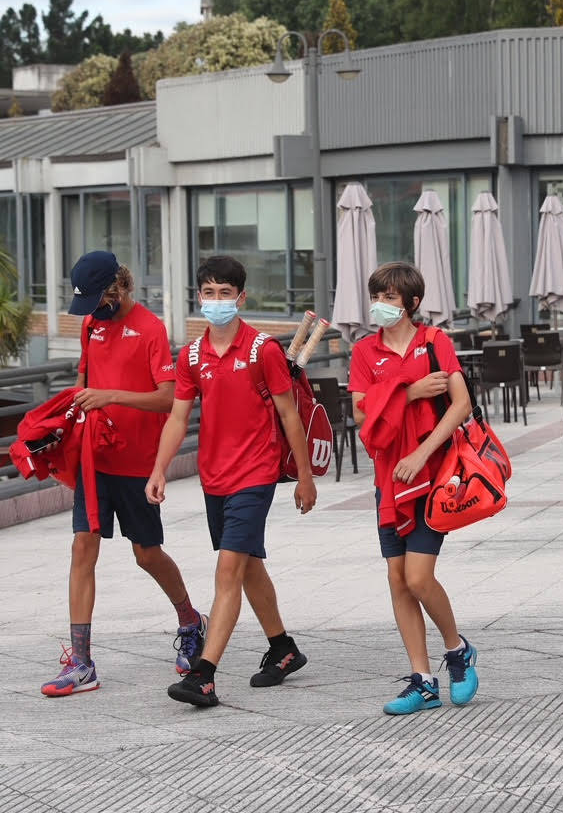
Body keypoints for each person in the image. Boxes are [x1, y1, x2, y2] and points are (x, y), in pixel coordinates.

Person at [146, 255, 318, 708]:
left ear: (240, 298)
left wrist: (305, 478)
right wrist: (160, 468)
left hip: (255, 474)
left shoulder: (263, 350)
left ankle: (203, 675)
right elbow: (178, 418)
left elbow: (289, 416)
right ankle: (283, 649)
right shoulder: (192, 356)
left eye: (226, 293)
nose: (216, 300)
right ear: (198, 297)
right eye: (209, 292)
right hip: (214, 477)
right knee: (246, 567)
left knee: (227, 571)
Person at [41, 251, 207, 697]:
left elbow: (168, 399)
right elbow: (83, 382)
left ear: (118, 288)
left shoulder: (151, 329)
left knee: (147, 555)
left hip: (137, 463)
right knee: (82, 549)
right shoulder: (91, 324)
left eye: (98, 299)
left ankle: (191, 621)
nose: (92, 309)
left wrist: (111, 396)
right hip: (95, 460)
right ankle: (82, 661)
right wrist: (61, 424)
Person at [348, 261, 480, 716]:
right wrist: (409, 391)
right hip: (389, 478)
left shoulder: (435, 343)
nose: (381, 305)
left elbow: (461, 404)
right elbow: (363, 415)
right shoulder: (365, 351)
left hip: (433, 472)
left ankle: (457, 649)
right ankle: (422, 680)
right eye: (377, 297)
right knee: (397, 580)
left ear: (413, 303)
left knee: (418, 577)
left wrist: (421, 453)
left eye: (390, 298)